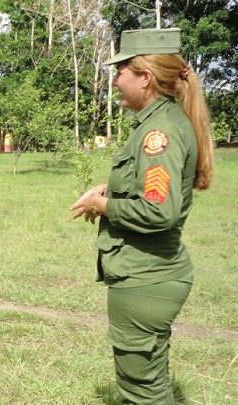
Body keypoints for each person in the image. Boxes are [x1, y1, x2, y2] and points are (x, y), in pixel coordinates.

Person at [70, 28, 213, 404]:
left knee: (142, 392)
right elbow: (148, 187)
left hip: (144, 277)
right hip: (150, 274)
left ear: (145, 77)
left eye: (122, 72)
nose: (116, 80)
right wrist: (110, 189)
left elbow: (157, 211)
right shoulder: (160, 121)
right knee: (150, 382)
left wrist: (103, 206)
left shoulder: (159, 132)